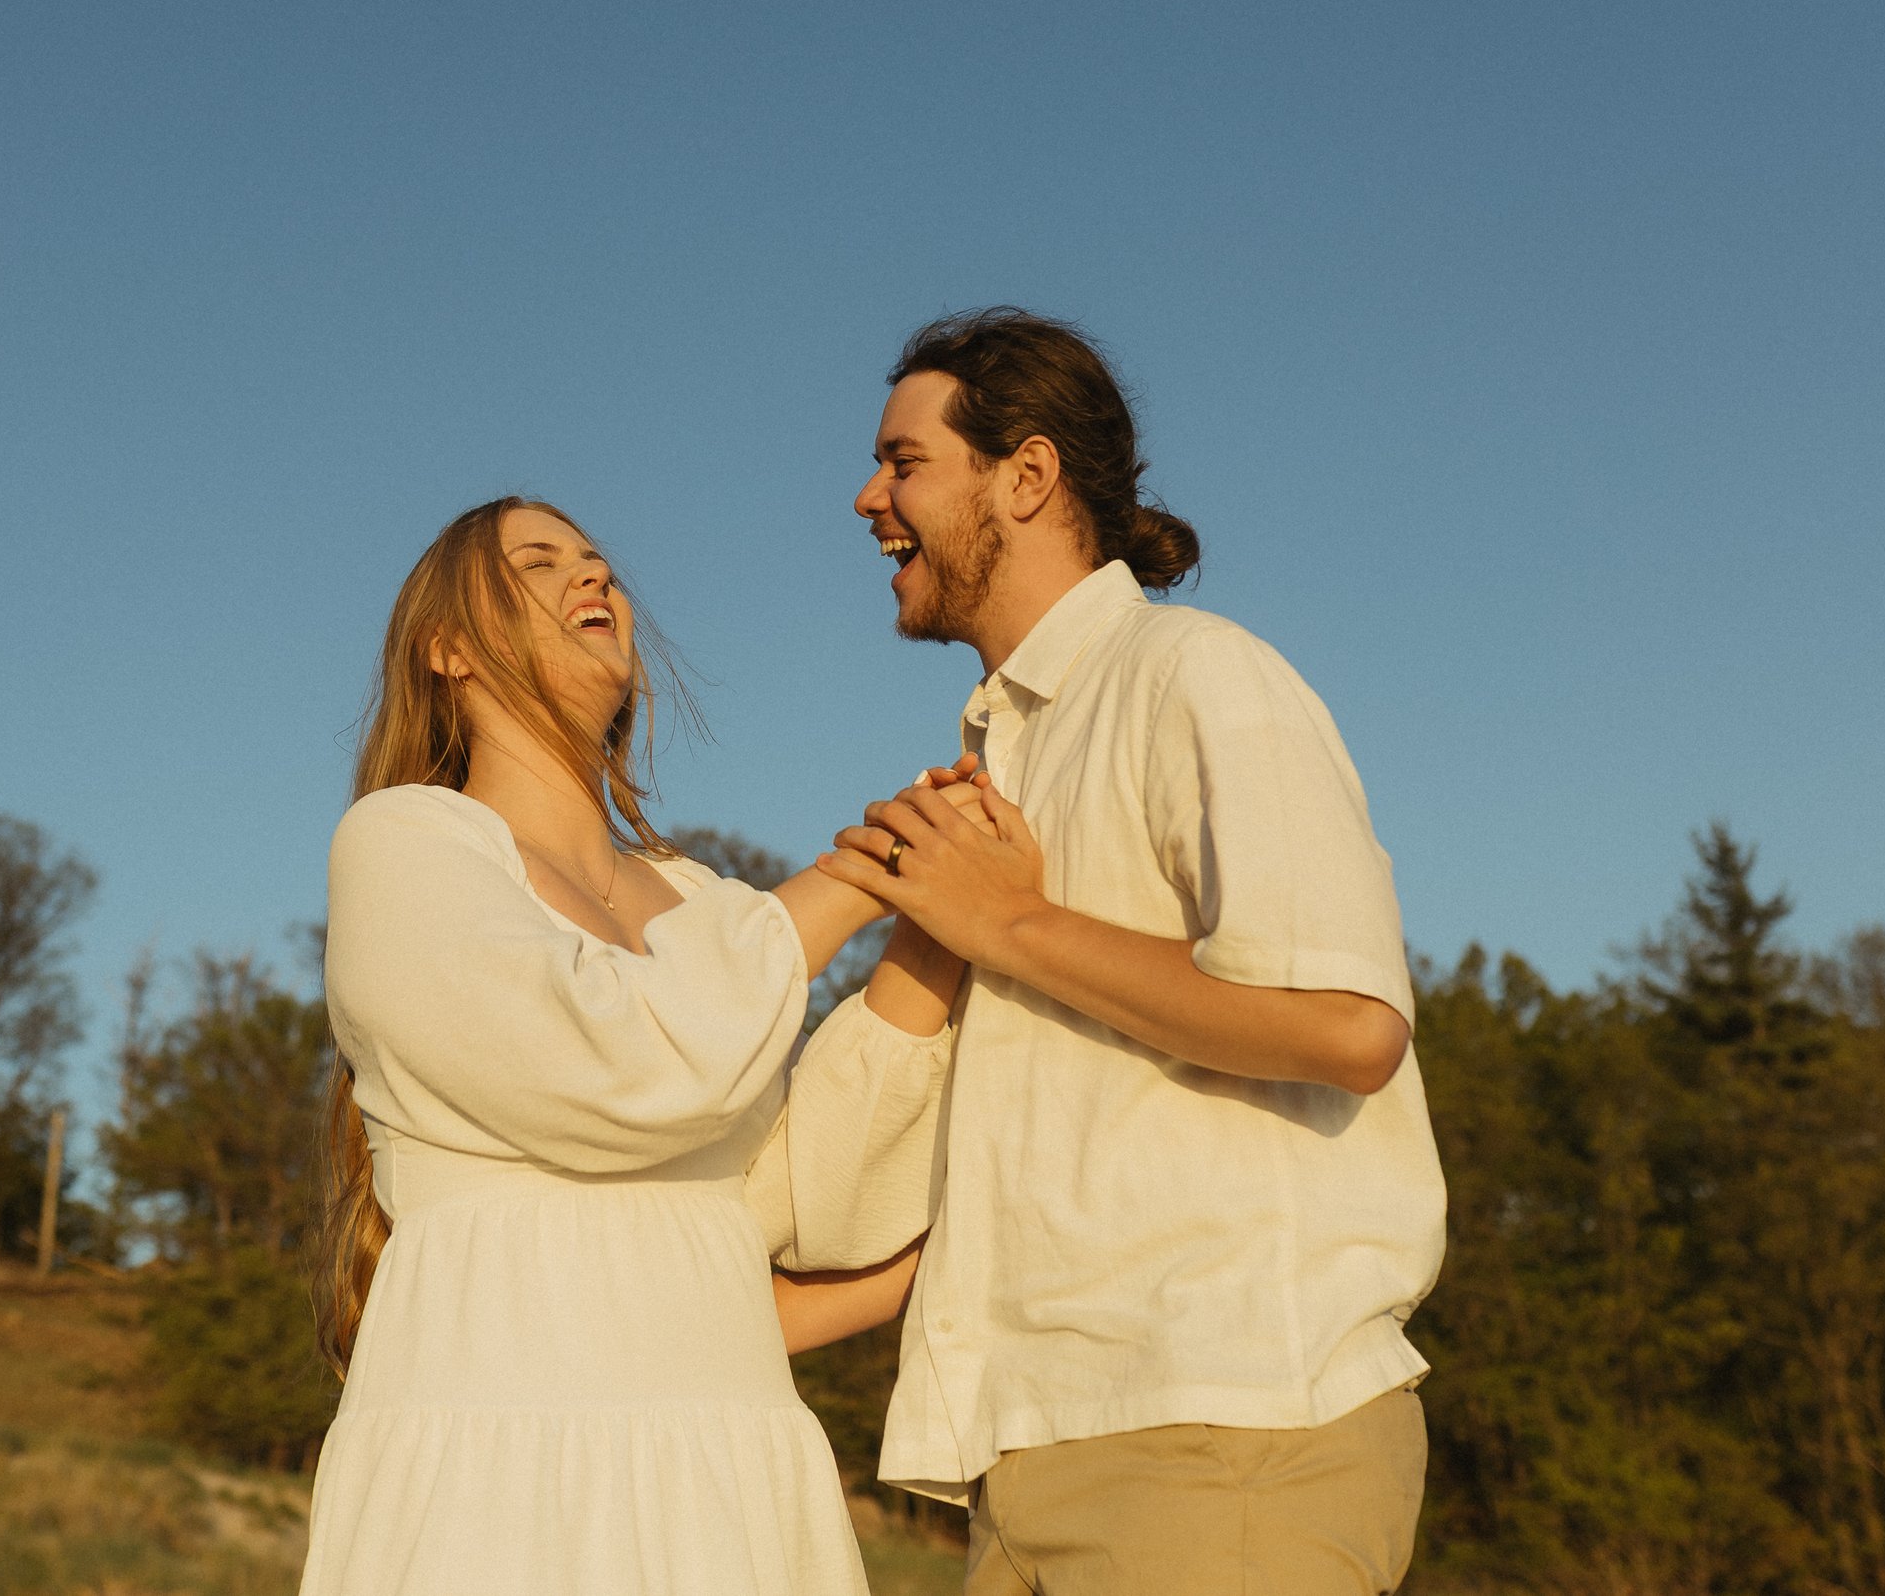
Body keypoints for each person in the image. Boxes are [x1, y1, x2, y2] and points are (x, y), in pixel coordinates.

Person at [816, 309, 1448, 1595]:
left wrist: (1011, 925)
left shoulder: (1199, 675)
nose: (866, 497)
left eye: (903, 460)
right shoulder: (996, 760)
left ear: (1029, 474)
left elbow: (1347, 1023)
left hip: (1225, 1436)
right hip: (1027, 1454)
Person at [299, 495, 968, 1596]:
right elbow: (624, 1069)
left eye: (600, 562)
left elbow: (798, 1198)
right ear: (448, 648)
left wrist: (933, 917)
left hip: (732, 1469)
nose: (593, 578)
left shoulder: (706, 903)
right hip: (500, 1469)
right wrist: (847, 880)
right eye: (540, 561)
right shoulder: (405, 843)